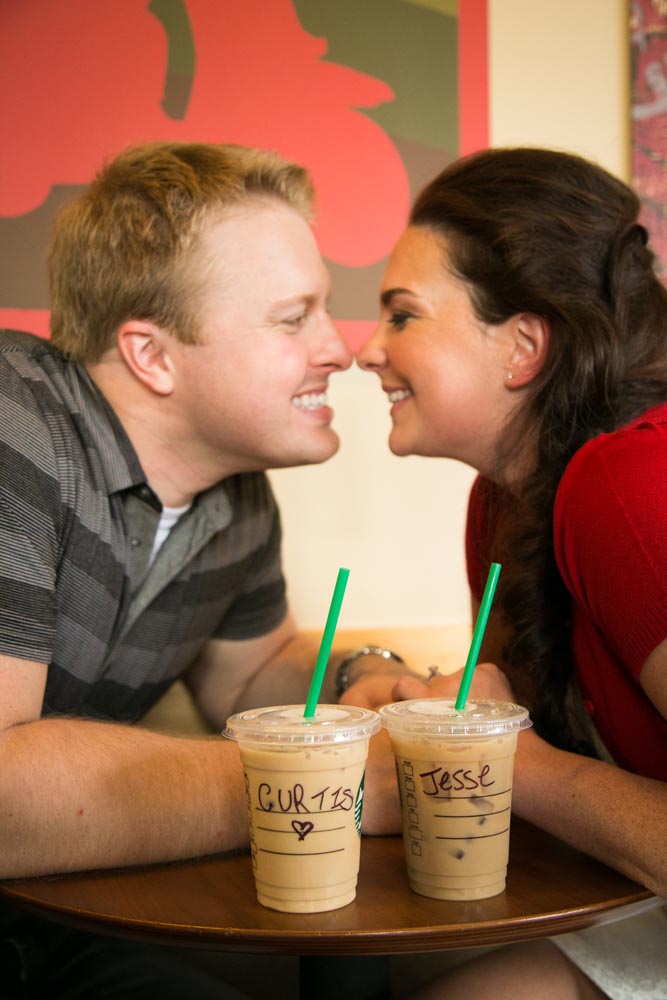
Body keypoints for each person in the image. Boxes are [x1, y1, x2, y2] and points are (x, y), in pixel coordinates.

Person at [0, 141, 405, 999]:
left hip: (47, 922)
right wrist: (329, 781)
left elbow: (250, 676)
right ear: (152, 355)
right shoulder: (11, 429)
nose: (341, 349)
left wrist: (365, 677)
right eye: (294, 318)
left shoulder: (237, 493)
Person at [358, 146, 667, 1000]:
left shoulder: (628, 489)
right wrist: (429, 704)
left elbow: (518, 760)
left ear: (523, 344)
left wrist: (506, 760)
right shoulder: (499, 503)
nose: (364, 350)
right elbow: (508, 720)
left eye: (402, 315)